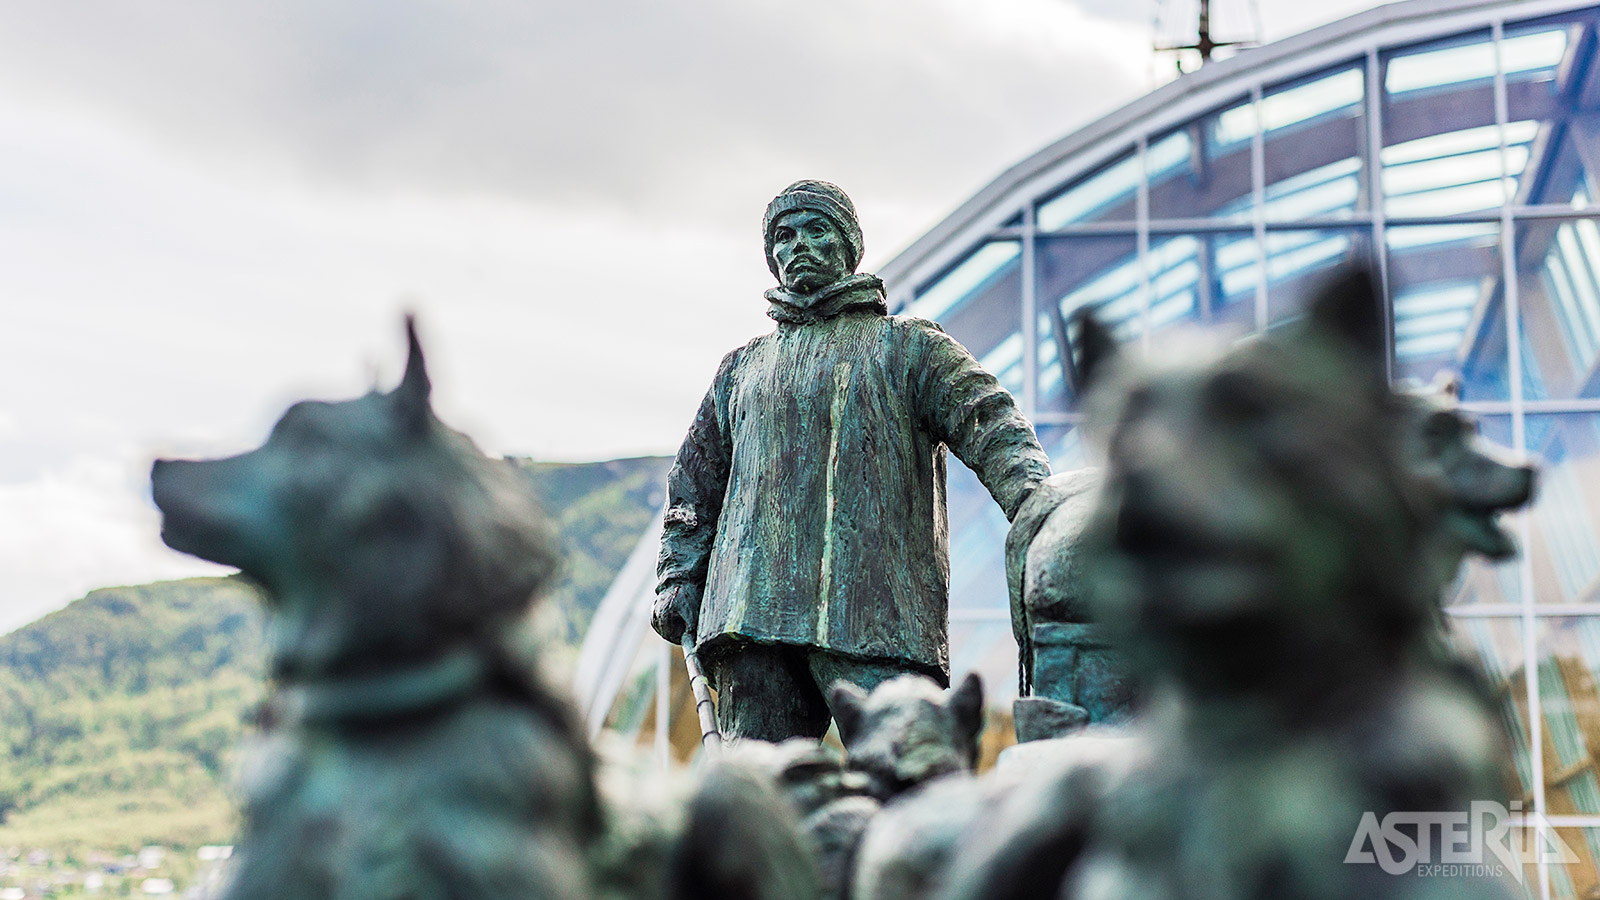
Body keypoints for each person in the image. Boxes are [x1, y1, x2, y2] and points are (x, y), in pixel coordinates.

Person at [651, 180, 1050, 741]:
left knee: (904, 772)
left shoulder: (908, 347)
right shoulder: (740, 369)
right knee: (765, 796)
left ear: (848, 245)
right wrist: (678, 574)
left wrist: (1040, 508)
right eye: (784, 237)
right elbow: (692, 485)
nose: (799, 247)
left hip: (877, 615)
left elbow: (991, 424)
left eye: (817, 230)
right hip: (751, 618)